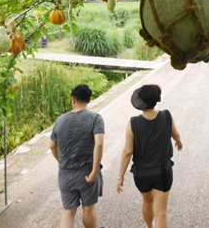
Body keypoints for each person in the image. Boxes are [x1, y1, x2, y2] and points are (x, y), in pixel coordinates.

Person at [117, 84, 183, 228]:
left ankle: (149, 226)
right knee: (161, 213)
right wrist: (178, 142)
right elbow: (175, 134)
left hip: (141, 174)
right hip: (162, 172)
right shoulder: (166, 116)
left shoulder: (133, 123)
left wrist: (120, 176)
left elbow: (128, 151)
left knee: (147, 202)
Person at [50, 84, 105, 228]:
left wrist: (60, 161)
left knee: (69, 211)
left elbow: (52, 145)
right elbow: (99, 144)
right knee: (88, 208)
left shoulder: (60, 120)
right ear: (89, 100)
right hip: (87, 172)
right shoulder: (95, 118)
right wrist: (94, 172)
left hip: (65, 173)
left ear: (73, 99)